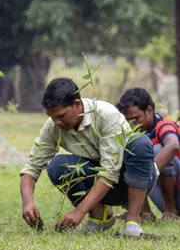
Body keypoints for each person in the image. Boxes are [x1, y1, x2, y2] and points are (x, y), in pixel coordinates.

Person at [20, 78, 158, 237]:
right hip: (104, 187)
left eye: (61, 115)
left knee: (139, 143)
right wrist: (28, 202)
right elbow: (31, 167)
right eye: (52, 117)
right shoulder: (53, 126)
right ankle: (100, 218)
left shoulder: (106, 114)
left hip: (135, 181)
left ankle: (132, 222)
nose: (56, 122)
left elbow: (109, 172)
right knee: (57, 166)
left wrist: (79, 212)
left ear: (77, 104)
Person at [116, 88, 180, 219]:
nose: (133, 124)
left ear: (149, 110)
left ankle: (171, 212)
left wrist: (147, 172)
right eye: (129, 121)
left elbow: (173, 145)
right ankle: (144, 213)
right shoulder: (133, 135)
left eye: (136, 118)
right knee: (132, 157)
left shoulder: (164, 126)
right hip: (161, 192)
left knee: (156, 150)